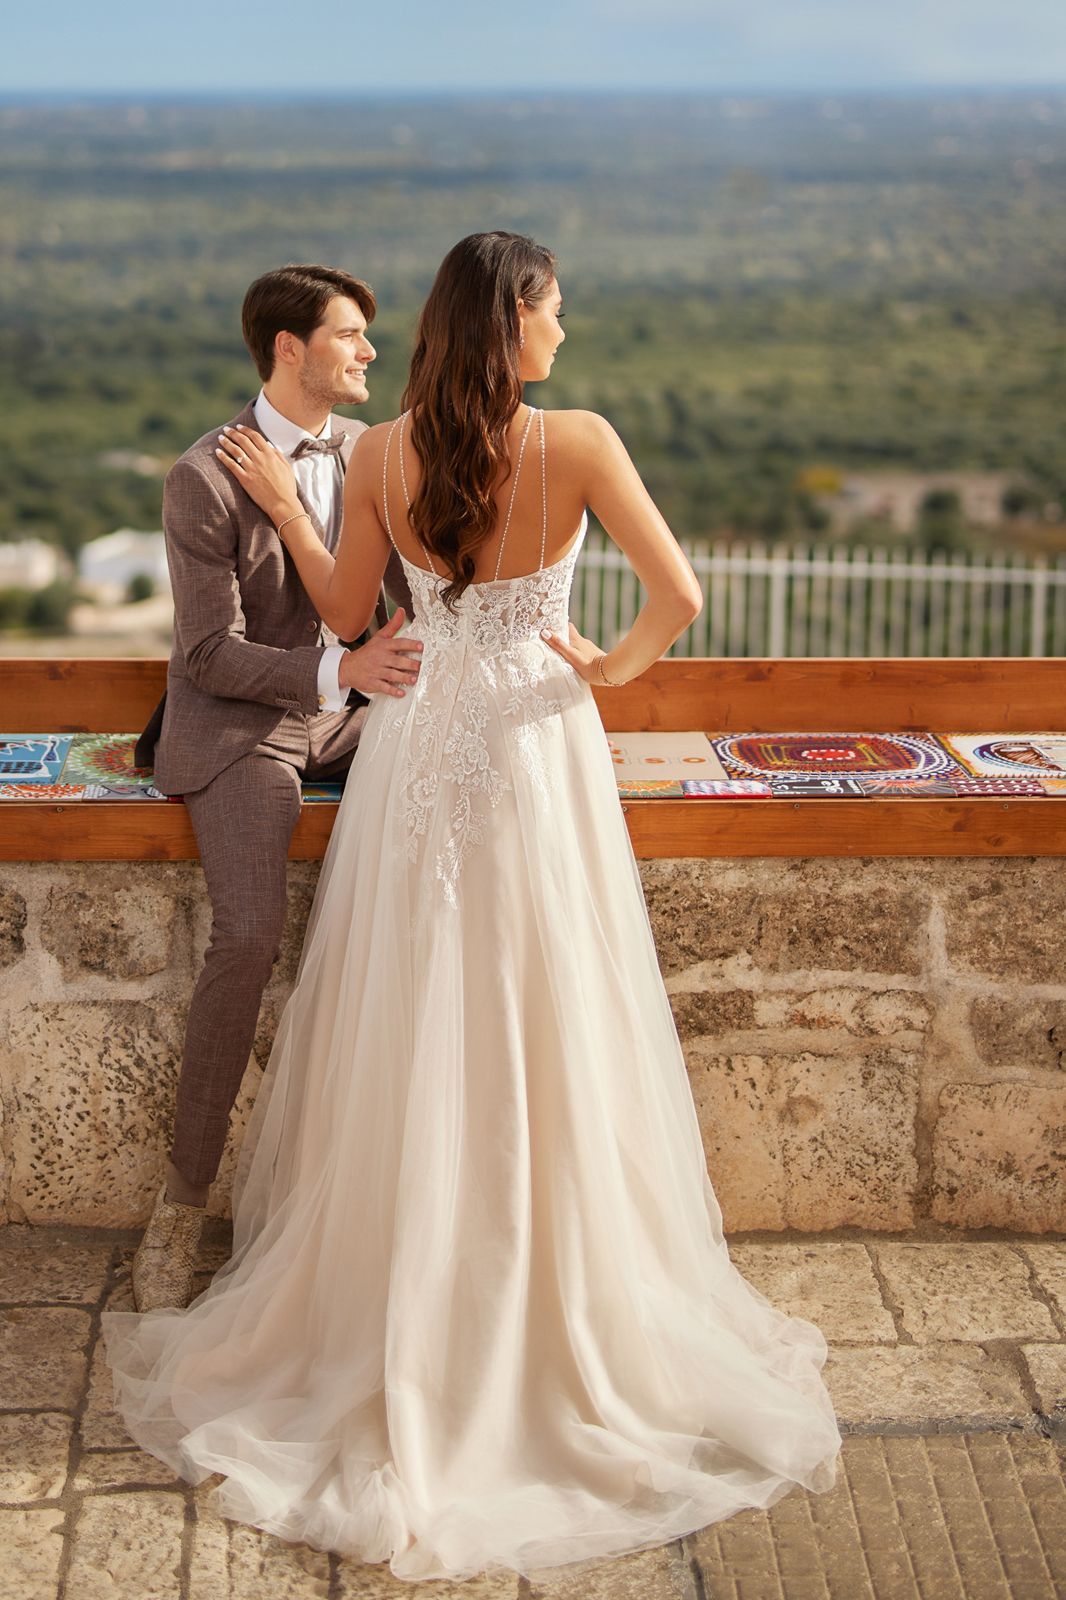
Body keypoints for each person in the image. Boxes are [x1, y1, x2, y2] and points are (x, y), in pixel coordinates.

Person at [104, 232, 841, 1581]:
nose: (565, 326)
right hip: (533, 745)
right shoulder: (582, 441)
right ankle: (547, 1297)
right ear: (514, 323)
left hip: (414, 740)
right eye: (555, 308)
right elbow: (679, 597)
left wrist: (286, 508)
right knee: (542, 1003)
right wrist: (603, 669)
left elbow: (340, 607)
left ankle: (390, 1307)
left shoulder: (381, 454)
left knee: (410, 1000)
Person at [129, 264, 419, 1312]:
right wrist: (340, 670)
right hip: (251, 727)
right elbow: (207, 653)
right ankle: (181, 1201)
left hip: (356, 712)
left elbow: (396, 602)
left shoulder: (373, 456)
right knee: (248, 935)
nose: (368, 354)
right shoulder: (201, 476)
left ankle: (406, 1192)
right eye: (350, 335)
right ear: (289, 349)